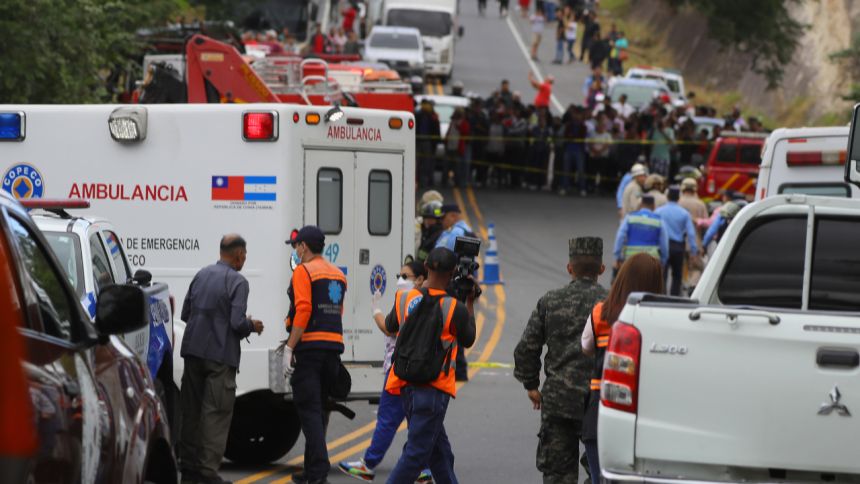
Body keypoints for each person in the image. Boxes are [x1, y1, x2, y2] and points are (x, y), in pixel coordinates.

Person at [514, 237, 609, 484]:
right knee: (603, 471)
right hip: (599, 402)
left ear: (569, 268)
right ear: (601, 269)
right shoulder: (612, 304)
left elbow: (526, 347)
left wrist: (531, 385)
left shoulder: (550, 300)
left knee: (557, 475)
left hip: (558, 401)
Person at [384, 247, 478, 484]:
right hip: (433, 388)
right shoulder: (454, 307)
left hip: (405, 382)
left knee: (440, 454)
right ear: (454, 272)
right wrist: (469, 301)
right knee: (416, 454)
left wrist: (418, 289)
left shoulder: (404, 297)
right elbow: (468, 339)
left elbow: (390, 325)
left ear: (425, 268)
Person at [179, 235, 264, 484]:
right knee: (215, 414)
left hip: (193, 353)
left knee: (191, 413)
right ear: (239, 254)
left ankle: (189, 472)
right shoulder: (238, 282)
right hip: (220, 357)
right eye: (245, 255)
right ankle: (206, 474)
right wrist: (252, 325)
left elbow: (186, 313)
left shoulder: (201, 274)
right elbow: (237, 322)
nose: (245, 260)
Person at [338, 262, 433, 483]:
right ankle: (424, 467)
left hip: (399, 372)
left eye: (406, 275)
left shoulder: (409, 300)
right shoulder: (428, 300)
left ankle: (368, 465)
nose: (401, 279)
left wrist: (376, 311)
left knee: (388, 419)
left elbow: (390, 328)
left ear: (420, 279)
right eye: (399, 275)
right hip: (417, 372)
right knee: (416, 422)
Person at [581, 253, 664, 483]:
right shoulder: (663, 318)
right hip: (645, 416)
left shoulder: (600, 312)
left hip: (599, 413)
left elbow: (586, 346)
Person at [284, 226, 348, 484]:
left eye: (296, 246)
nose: (296, 251)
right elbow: (337, 312)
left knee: (308, 410)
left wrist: (289, 347)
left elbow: (304, 310)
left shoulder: (303, 271)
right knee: (318, 409)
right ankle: (310, 471)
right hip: (332, 352)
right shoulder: (338, 274)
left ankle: (319, 473)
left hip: (309, 350)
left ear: (304, 247)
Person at [654, 186, 697, 296]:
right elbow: (691, 233)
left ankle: (662, 296)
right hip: (678, 247)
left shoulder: (658, 211)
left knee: (662, 273)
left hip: (662, 245)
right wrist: (693, 251)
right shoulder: (684, 213)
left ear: (667, 197)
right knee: (677, 275)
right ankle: (673, 298)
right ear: (679, 198)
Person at [614, 194, 670, 269]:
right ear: (653, 206)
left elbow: (620, 237)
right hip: (651, 261)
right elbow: (664, 245)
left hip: (630, 260)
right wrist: (663, 262)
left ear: (640, 205)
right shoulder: (659, 221)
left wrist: (618, 256)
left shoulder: (630, 218)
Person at [677, 178, 707, 291]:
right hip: (696, 242)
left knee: (678, 270)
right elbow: (705, 225)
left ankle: (677, 294)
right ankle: (692, 289)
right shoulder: (700, 204)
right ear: (695, 190)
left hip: (678, 242)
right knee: (696, 268)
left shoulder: (678, 203)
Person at [561, 106, 587, 196]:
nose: (577, 116)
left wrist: (572, 137)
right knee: (566, 170)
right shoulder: (569, 125)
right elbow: (566, 135)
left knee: (581, 170)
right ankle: (564, 187)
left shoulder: (583, 126)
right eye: (576, 114)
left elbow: (582, 137)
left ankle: (582, 188)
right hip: (568, 149)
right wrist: (571, 137)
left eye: (579, 115)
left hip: (579, 150)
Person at [416, 100, 442, 186]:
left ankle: (424, 179)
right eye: (423, 108)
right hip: (418, 142)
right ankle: (417, 178)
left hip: (427, 143)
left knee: (426, 163)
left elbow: (436, 132)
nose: (424, 110)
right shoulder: (417, 117)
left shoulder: (432, 119)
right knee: (417, 162)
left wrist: (435, 143)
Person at [444, 107, 471, 187]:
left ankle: (457, 181)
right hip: (449, 147)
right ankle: (444, 180)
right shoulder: (452, 122)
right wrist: (445, 141)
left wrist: (459, 126)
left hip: (457, 148)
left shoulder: (464, 123)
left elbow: (466, 132)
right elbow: (448, 132)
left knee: (457, 166)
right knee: (446, 165)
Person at [588, 113, 612, 196]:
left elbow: (608, 144)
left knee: (603, 173)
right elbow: (590, 143)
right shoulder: (593, 134)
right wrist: (595, 150)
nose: (600, 128)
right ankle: (591, 187)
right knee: (593, 173)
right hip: (594, 156)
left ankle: (602, 189)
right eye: (599, 126)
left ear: (604, 127)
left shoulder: (607, 135)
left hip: (603, 157)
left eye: (602, 126)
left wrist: (600, 150)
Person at [414, 190, 444, 254]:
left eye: (432, 218)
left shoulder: (442, 232)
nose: (428, 220)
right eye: (427, 217)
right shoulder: (417, 224)